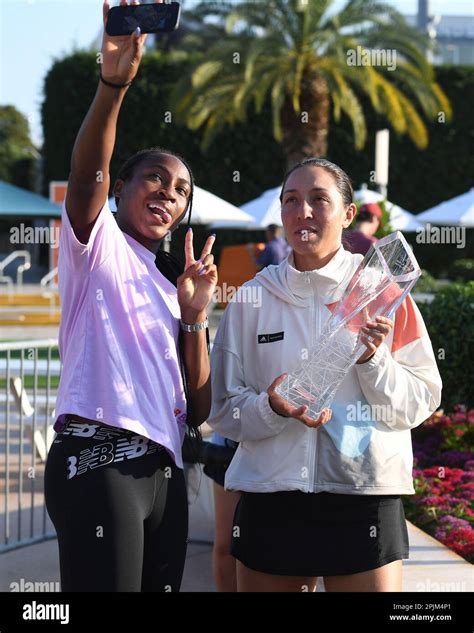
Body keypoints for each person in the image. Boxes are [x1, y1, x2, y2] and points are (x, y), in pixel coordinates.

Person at [44, 0, 218, 592]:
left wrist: (195, 319)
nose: (169, 194)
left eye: (181, 190)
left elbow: (199, 410)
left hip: (163, 470)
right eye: (154, 178)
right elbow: (87, 168)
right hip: (98, 460)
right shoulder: (96, 245)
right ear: (120, 188)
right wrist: (113, 86)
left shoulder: (177, 281)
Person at [208, 158, 442, 592]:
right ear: (281, 213)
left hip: (363, 495)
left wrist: (373, 362)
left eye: (319, 199)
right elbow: (222, 412)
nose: (305, 212)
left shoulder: (385, 292)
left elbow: (420, 400)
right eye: (292, 200)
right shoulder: (252, 298)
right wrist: (271, 407)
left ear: (349, 214)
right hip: (272, 495)